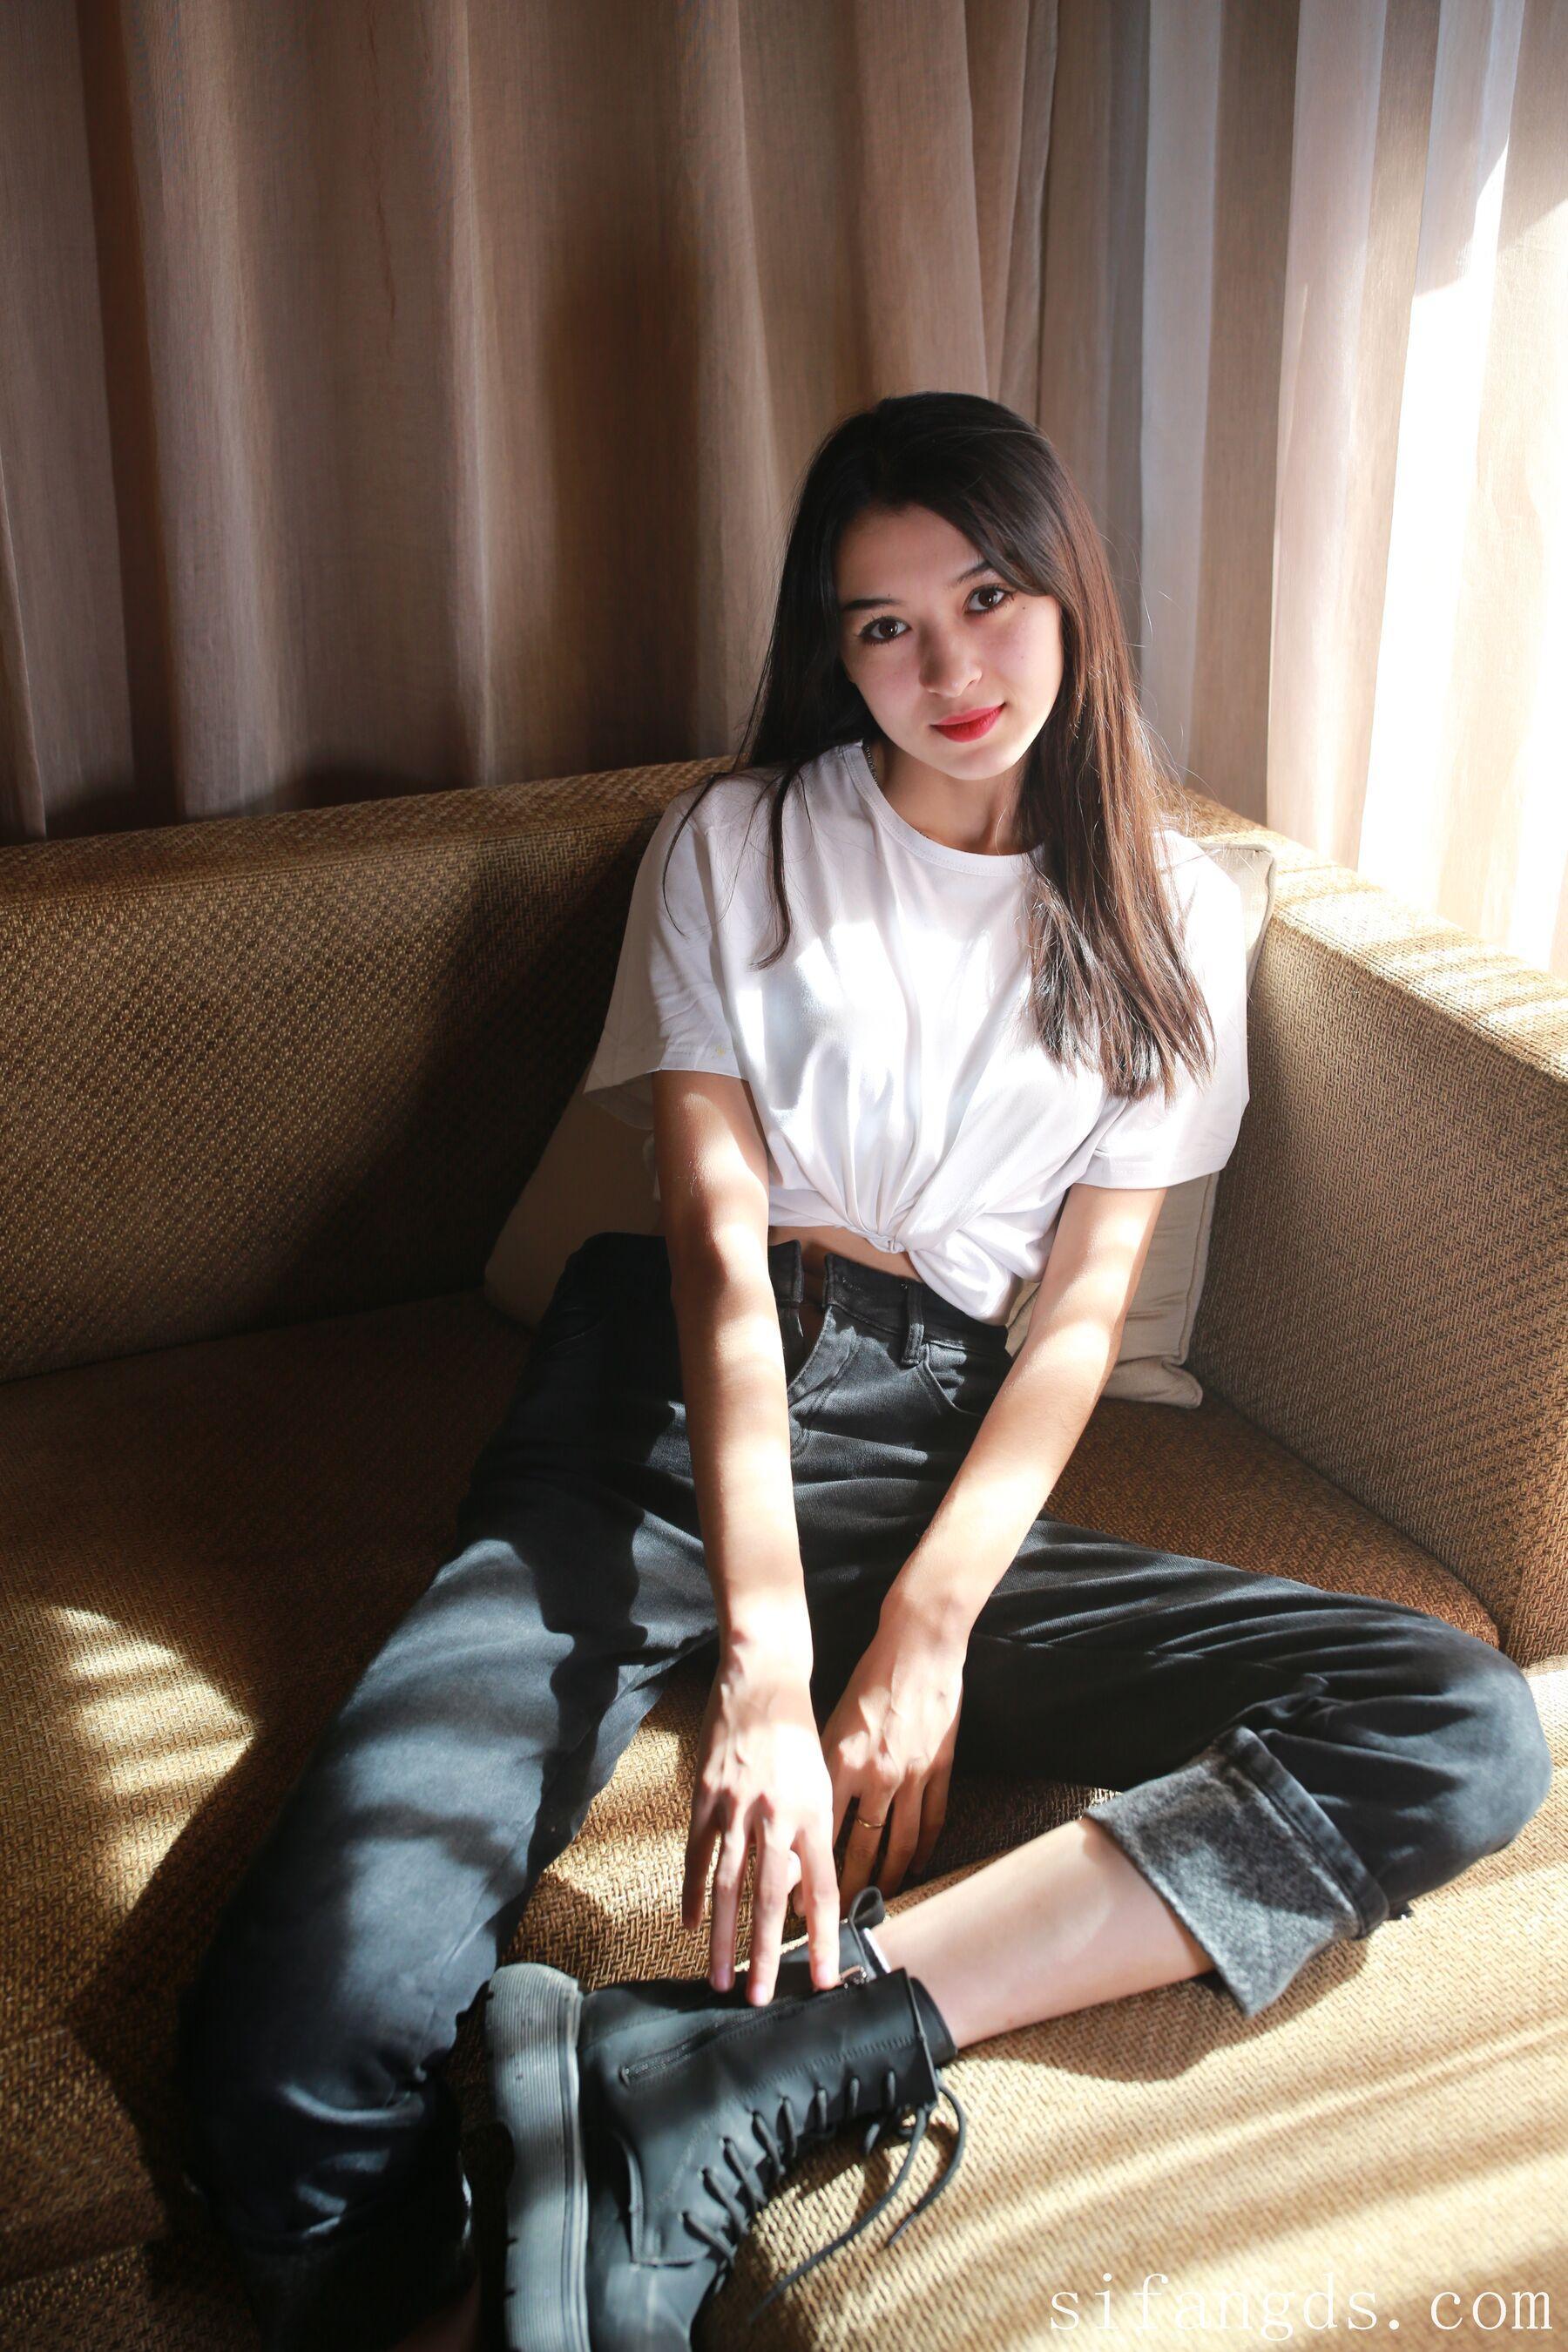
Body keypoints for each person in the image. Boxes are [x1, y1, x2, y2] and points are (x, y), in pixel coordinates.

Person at [174, 393, 1552, 2352]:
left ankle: (754, 2059)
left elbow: (1079, 1318)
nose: (949, 668)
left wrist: (924, 1628)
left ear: (1070, 594)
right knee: (290, 2052)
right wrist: (765, 1662)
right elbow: (716, 1246)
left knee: (1460, 1725)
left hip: (931, 1458)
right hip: (660, 1414)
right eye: (884, 625)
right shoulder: (737, 845)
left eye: (988, 598)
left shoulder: (1177, 913)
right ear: (833, 650)